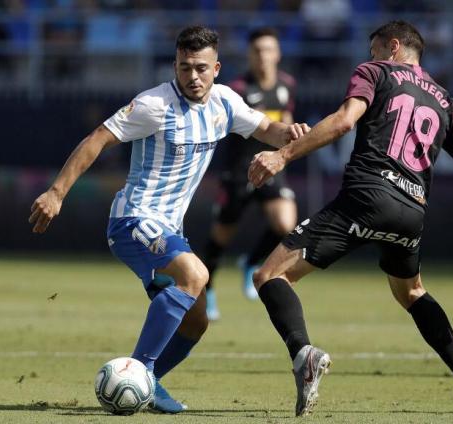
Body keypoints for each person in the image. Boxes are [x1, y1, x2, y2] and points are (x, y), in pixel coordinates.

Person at [247, 20, 453, 416]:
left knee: (269, 276)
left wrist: (283, 155)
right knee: (412, 292)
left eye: (375, 49)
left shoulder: (375, 72)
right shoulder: (445, 101)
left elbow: (346, 120)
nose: (370, 57)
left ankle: (304, 354)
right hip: (412, 212)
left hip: (366, 196)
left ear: (394, 47)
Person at [28, 26, 308, 414]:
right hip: (132, 220)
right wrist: (56, 192)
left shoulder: (225, 102)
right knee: (196, 276)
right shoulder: (153, 105)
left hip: (169, 230)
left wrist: (291, 134)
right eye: (184, 67)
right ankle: (138, 371)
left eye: (201, 68)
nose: (192, 76)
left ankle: (150, 381)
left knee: (196, 324)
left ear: (217, 68)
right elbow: (97, 138)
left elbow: (266, 129)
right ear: (174, 65)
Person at [201, 27, 298, 321]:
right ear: (250, 55)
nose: (263, 56)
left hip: (270, 167)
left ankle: (251, 262)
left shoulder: (287, 86)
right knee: (220, 237)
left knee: (286, 224)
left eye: (269, 49)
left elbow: (288, 121)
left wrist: (287, 153)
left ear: (278, 53)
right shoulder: (237, 89)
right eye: (257, 50)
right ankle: (206, 290)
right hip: (238, 171)